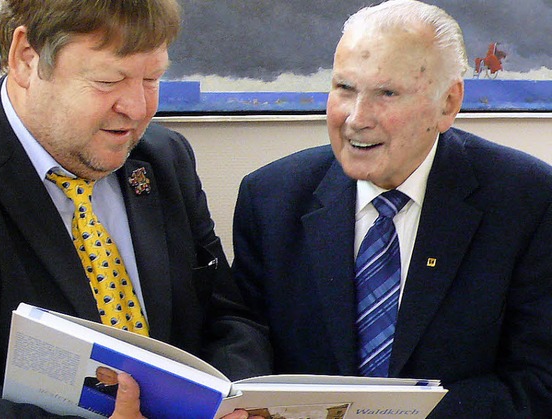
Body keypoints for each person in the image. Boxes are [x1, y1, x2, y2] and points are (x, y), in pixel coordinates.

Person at [0, 0, 264, 417]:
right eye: (107, 80)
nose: (137, 109)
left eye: (152, 78)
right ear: (28, 59)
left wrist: (234, 399)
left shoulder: (165, 159)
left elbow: (227, 318)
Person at [230, 0, 552, 417]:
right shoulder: (271, 198)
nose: (356, 118)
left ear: (448, 104)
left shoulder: (527, 201)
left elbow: (539, 381)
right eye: (344, 88)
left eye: (387, 93)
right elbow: (244, 343)